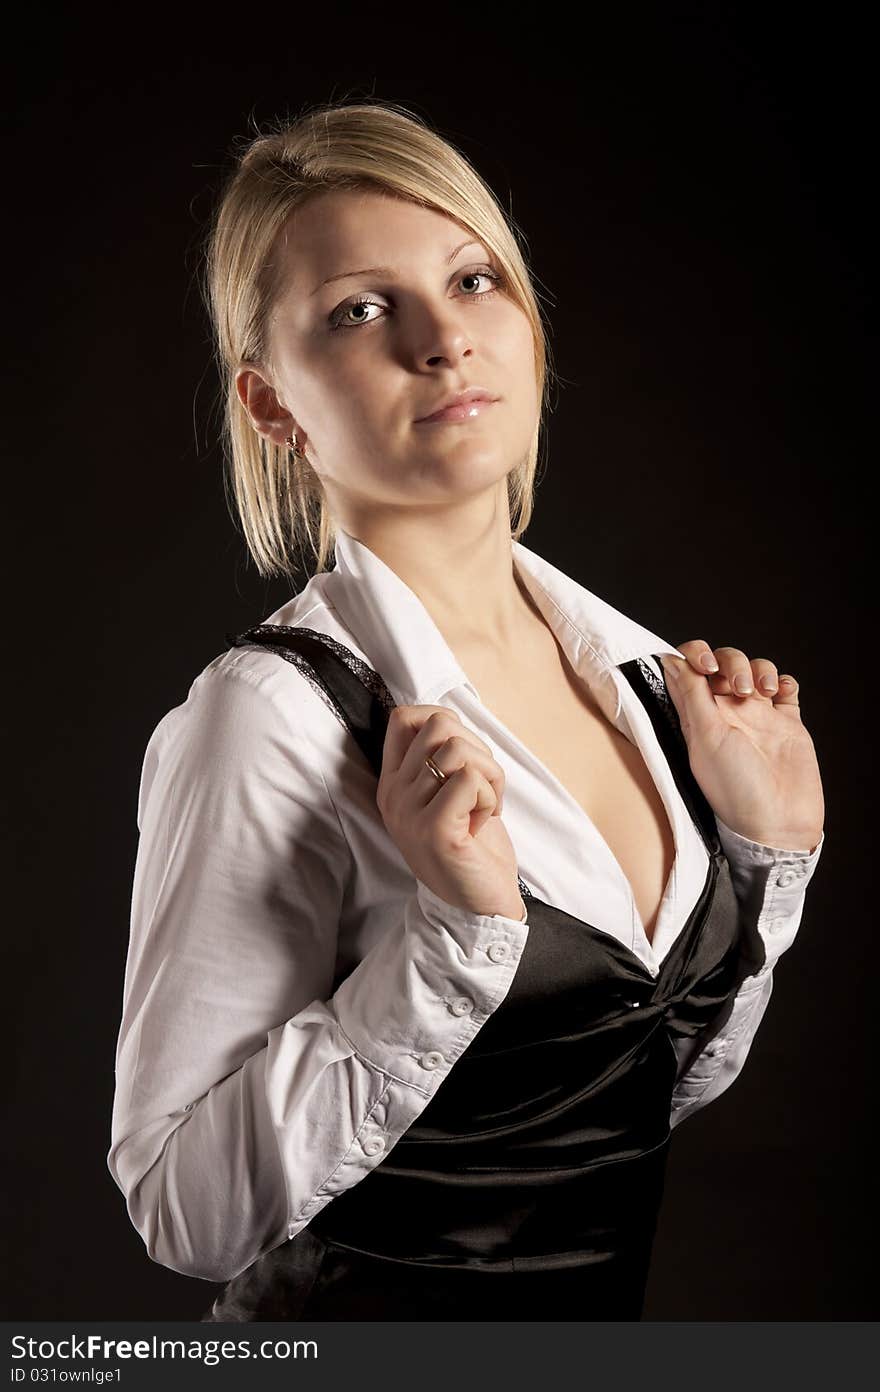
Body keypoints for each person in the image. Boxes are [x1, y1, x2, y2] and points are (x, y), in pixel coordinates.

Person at [106, 99, 825, 1321]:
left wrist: (770, 858)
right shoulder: (271, 716)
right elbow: (183, 1206)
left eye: (474, 278)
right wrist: (450, 937)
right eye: (359, 310)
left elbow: (621, 1092)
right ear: (272, 406)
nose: (444, 341)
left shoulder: (655, 689)